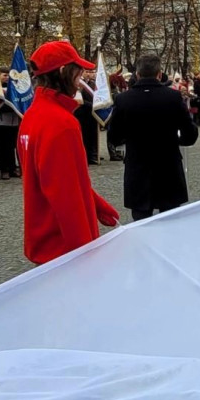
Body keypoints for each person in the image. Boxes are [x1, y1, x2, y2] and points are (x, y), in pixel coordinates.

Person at [18, 41, 119, 264]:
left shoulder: (32, 116)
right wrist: (85, 254)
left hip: (45, 239)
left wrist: (97, 205)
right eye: (78, 69)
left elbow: (63, 178)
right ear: (64, 71)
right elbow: (64, 194)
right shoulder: (61, 123)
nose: (82, 76)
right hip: (63, 249)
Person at [108, 54, 199, 221]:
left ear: (137, 74)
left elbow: (114, 136)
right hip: (168, 166)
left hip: (138, 166)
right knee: (170, 221)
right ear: (159, 74)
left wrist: (129, 139)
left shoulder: (123, 99)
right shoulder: (173, 97)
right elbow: (190, 133)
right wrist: (179, 140)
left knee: (141, 221)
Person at [0, 67, 20, 179]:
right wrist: (12, 107)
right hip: (1, 122)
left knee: (12, 146)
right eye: (4, 75)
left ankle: (13, 168)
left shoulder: (14, 87)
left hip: (14, 121)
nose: (7, 77)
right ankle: (4, 169)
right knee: (2, 146)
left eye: (9, 75)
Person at [75, 67, 99, 165]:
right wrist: (91, 105)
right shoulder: (79, 84)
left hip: (91, 113)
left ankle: (93, 154)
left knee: (92, 135)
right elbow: (79, 100)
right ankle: (88, 155)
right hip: (82, 113)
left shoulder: (92, 83)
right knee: (85, 136)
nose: (90, 74)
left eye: (92, 72)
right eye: (87, 72)